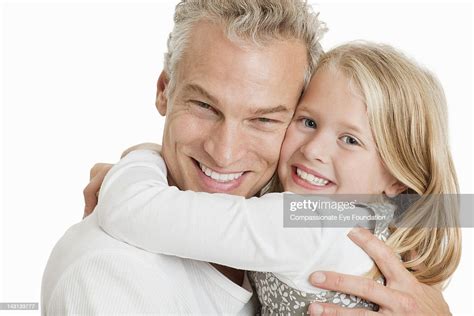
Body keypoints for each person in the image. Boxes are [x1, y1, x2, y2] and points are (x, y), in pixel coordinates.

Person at [43, 0, 452, 315]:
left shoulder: (310, 219)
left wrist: (140, 159)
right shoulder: (104, 270)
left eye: (264, 120)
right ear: (165, 89)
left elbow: (131, 206)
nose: (225, 152)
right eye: (205, 106)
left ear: (397, 179)